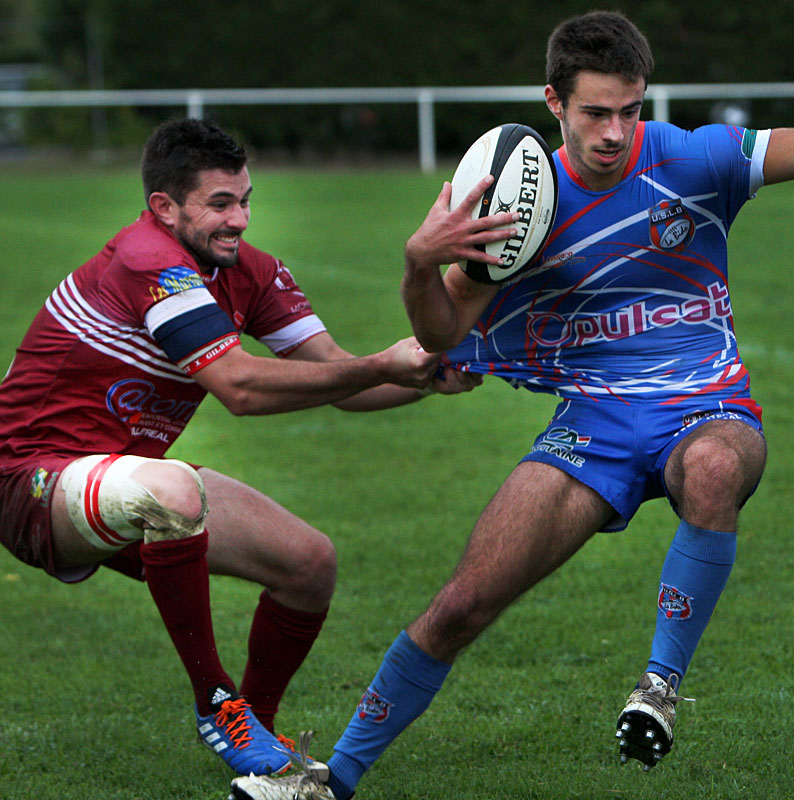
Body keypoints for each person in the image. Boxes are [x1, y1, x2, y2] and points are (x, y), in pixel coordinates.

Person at [231, 9, 794, 799]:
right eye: (595, 112)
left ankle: (659, 688)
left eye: (629, 110)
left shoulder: (693, 160)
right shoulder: (513, 207)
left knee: (709, 470)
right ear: (554, 103)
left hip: (706, 404)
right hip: (591, 429)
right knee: (462, 604)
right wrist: (418, 265)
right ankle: (333, 779)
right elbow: (437, 333)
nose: (614, 131)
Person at [0, 118, 482, 779]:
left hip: (122, 480)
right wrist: (379, 366)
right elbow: (240, 388)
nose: (241, 220)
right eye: (220, 204)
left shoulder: (250, 274)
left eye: (246, 199)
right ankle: (216, 702)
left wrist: (427, 378)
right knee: (172, 489)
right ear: (164, 208)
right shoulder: (147, 260)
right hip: (30, 481)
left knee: (310, 563)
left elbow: (341, 381)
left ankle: (255, 732)